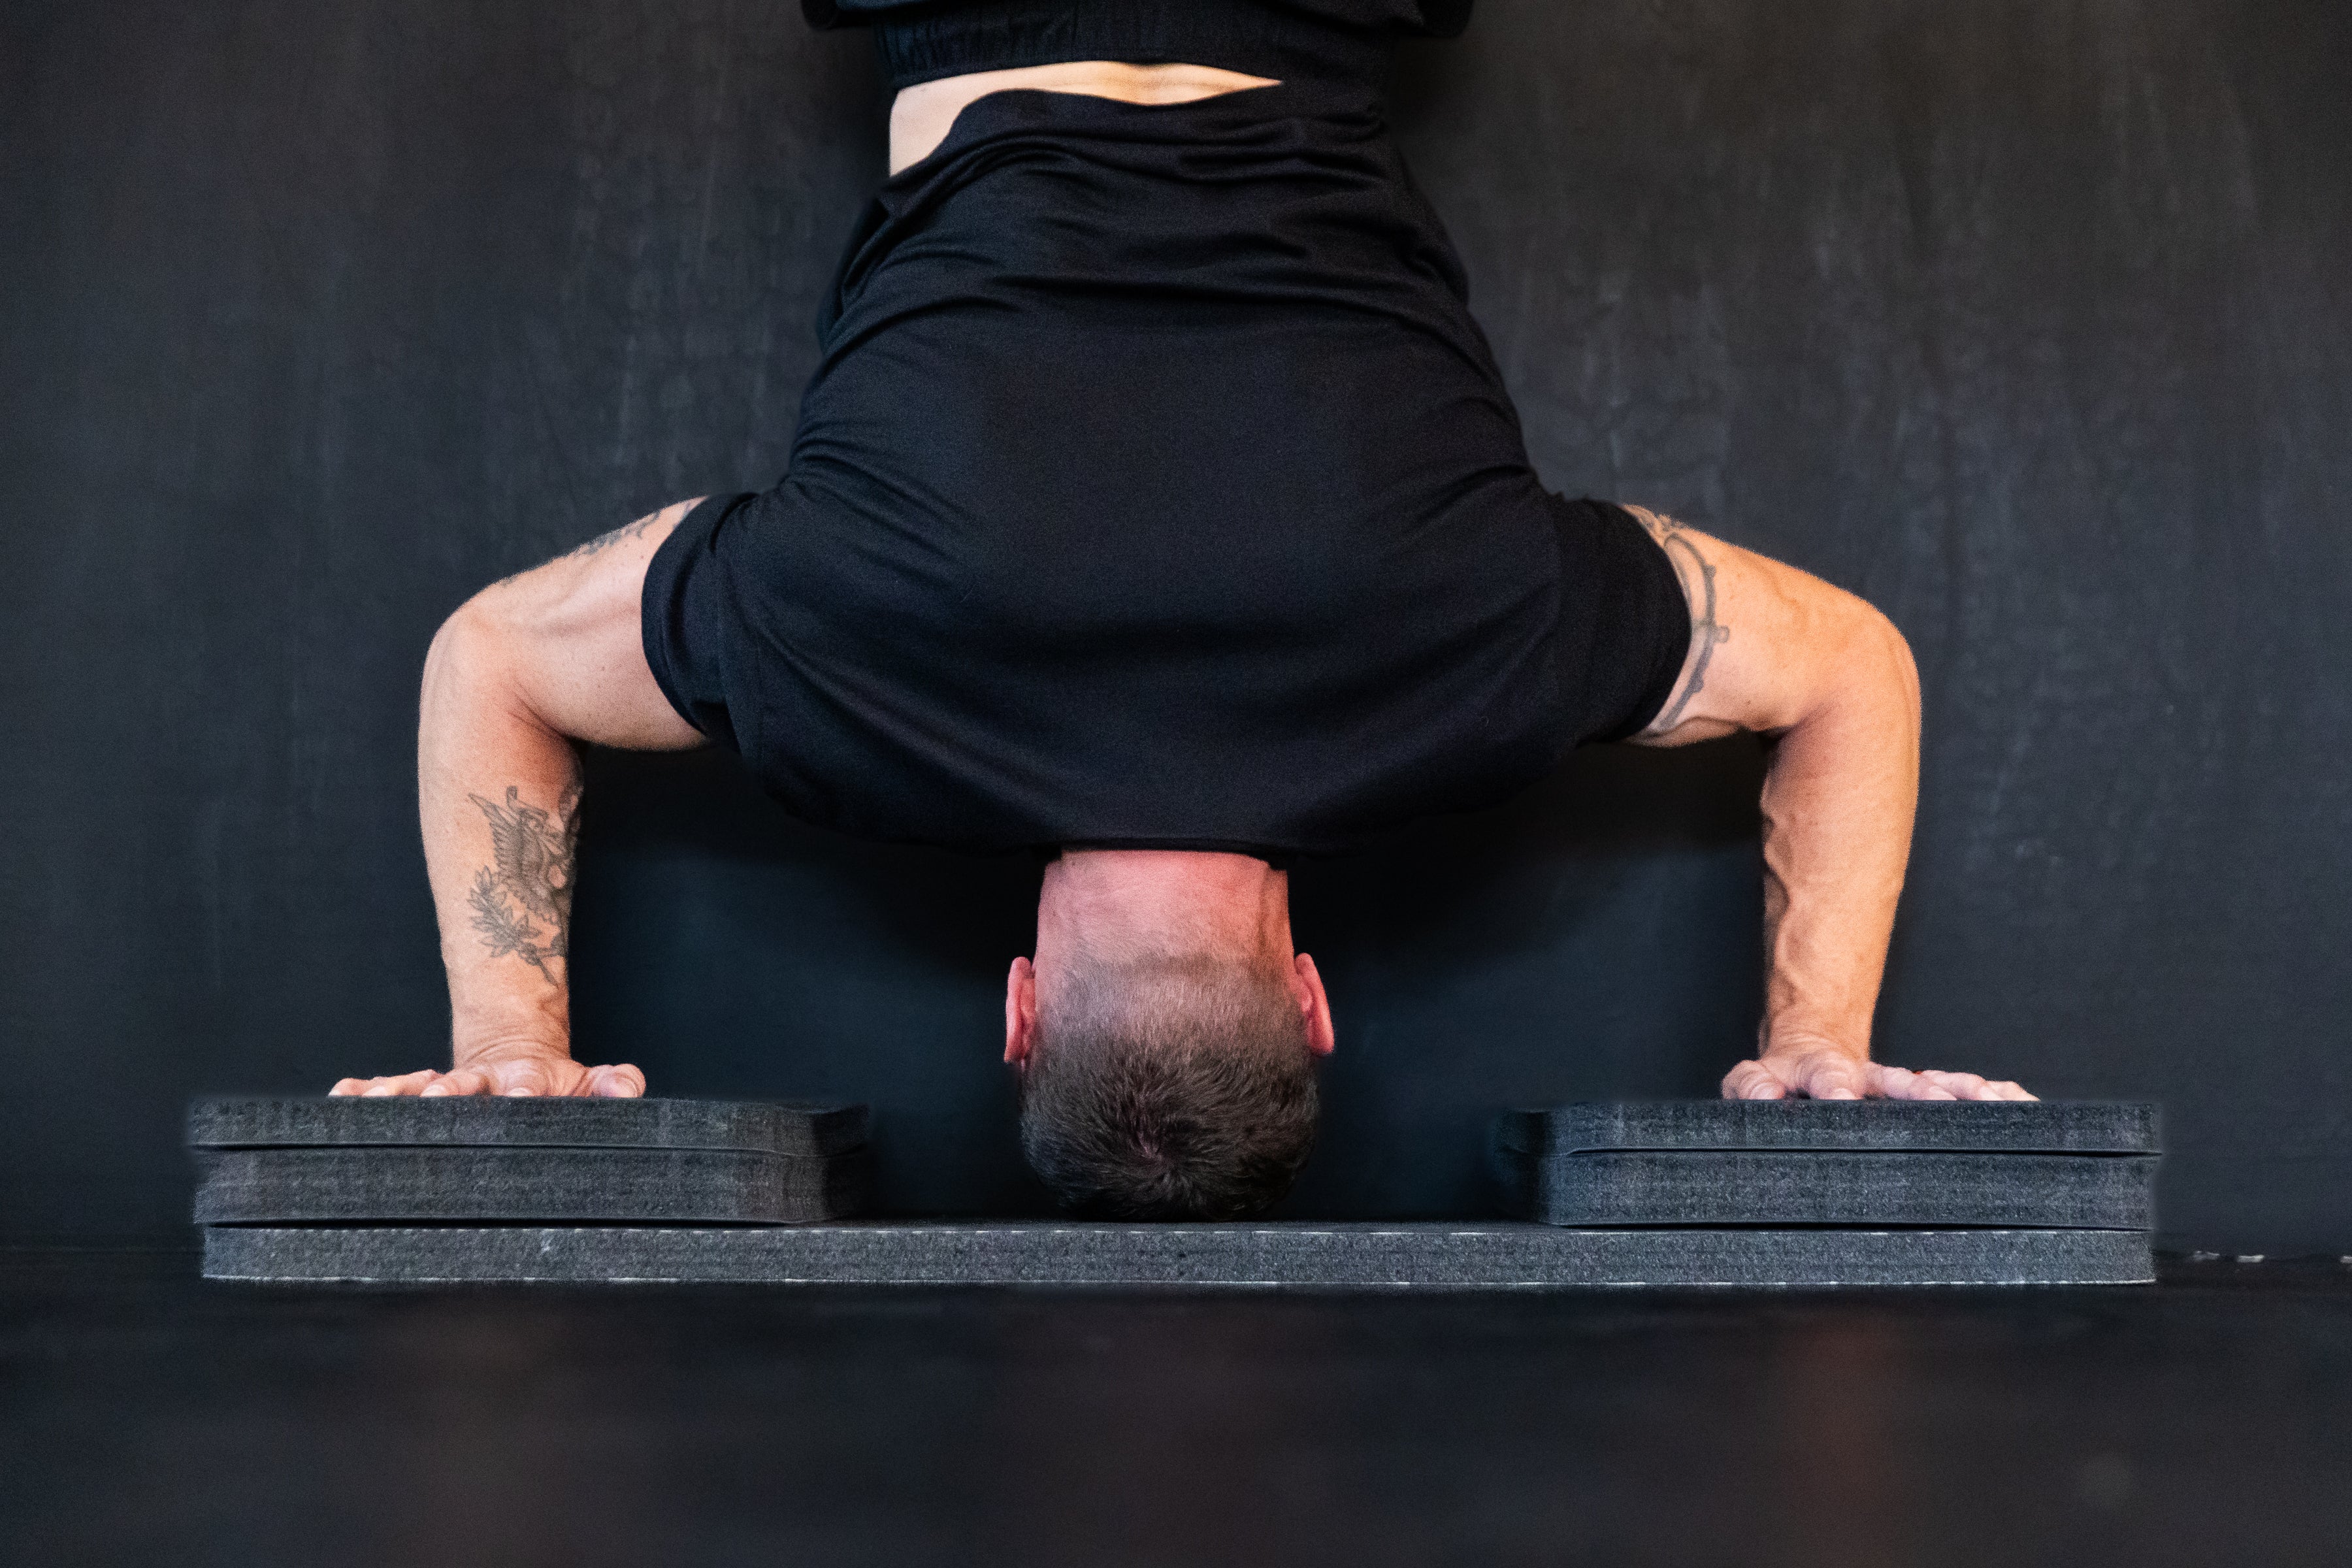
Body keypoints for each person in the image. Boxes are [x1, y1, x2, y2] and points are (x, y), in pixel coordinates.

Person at [331, 0, 2034, 1218]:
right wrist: (511, 1054)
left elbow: (1850, 671)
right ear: (1016, 1013)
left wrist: (1819, 1046)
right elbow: (494, 663)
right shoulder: (849, 674)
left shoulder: (1483, 673)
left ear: (1310, 1004)